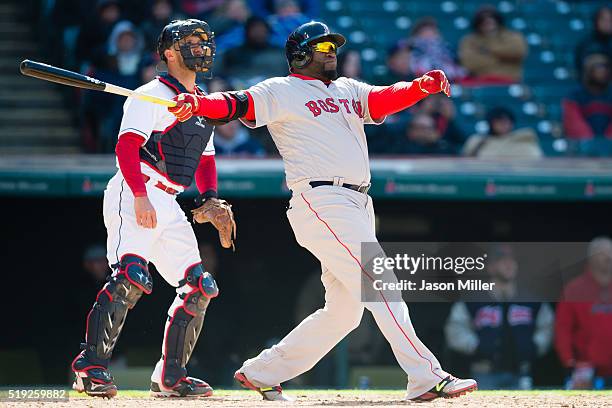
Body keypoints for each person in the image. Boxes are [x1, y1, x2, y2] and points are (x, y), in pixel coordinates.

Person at [168, 21, 476, 402]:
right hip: (321, 199)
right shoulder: (281, 89)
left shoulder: (347, 88)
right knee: (380, 280)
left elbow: (382, 99)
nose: (331, 51)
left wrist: (420, 87)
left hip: (359, 202)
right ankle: (425, 376)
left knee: (345, 312)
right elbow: (235, 103)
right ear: (300, 54)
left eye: (333, 46)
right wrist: (198, 103)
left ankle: (262, 371)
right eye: (322, 46)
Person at [70, 19, 236, 399]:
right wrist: (140, 196)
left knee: (200, 285)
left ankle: (170, 376)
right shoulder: (149, 94)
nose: (201, 47)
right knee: (130, 275)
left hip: (171, 198)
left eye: (203, 41)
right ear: (169, 53)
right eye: (190, 41)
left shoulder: (204, 102)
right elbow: (126, 148)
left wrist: (209, 197)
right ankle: (89, 366)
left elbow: (206, 158)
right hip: (137, 188)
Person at [445, 245, 554, 390]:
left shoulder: (531, 299)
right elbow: (455, 328)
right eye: (502, 260)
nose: (509, 264)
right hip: (484, 372)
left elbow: (549, 327)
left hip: (522, 372)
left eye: (512, 260)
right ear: (491, 267)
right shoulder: (474, 299)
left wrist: (535, 346)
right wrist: (475, 345)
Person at [555, 237, 612, 389]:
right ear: (591, 258)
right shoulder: (574, 290)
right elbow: (563, 329)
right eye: (603, 253)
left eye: (610, 252)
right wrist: (569, 361)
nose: (608, 257)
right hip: (586, 373)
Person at [458, 5, 527, 84]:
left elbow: (519, 52)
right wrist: (504, 59)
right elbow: (469, 64)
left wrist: (487, 51)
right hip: (481, 83)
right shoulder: (469, 40)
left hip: (510, 81)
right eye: (482, 20)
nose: (488, 22)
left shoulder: (513, 36)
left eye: (492, 18)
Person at [562, 54, 612, 141]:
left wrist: (607, 142)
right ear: (588, 71)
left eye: (605, 68)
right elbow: (573, 123)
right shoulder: (575, 96)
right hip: (583, 151)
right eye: (598, 67)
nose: (603, 71)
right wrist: (590, 143)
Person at [463, 107, 542, 158]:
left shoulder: (524, 141)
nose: (504, 125)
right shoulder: (477, 141)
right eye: (499, 122)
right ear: (491, 123)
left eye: (506, 122)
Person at [404, 17, 466, 81]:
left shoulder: (446, 48)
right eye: (425, 32)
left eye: (432, 31)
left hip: (447, 81)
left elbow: (457, 69)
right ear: (417, 34)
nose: (429, 35)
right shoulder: (411, 48)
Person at [575, 6, 612, 75]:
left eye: (610, 21)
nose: (607, 24)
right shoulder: (586, 45)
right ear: (596, 21)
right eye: (604, 20)